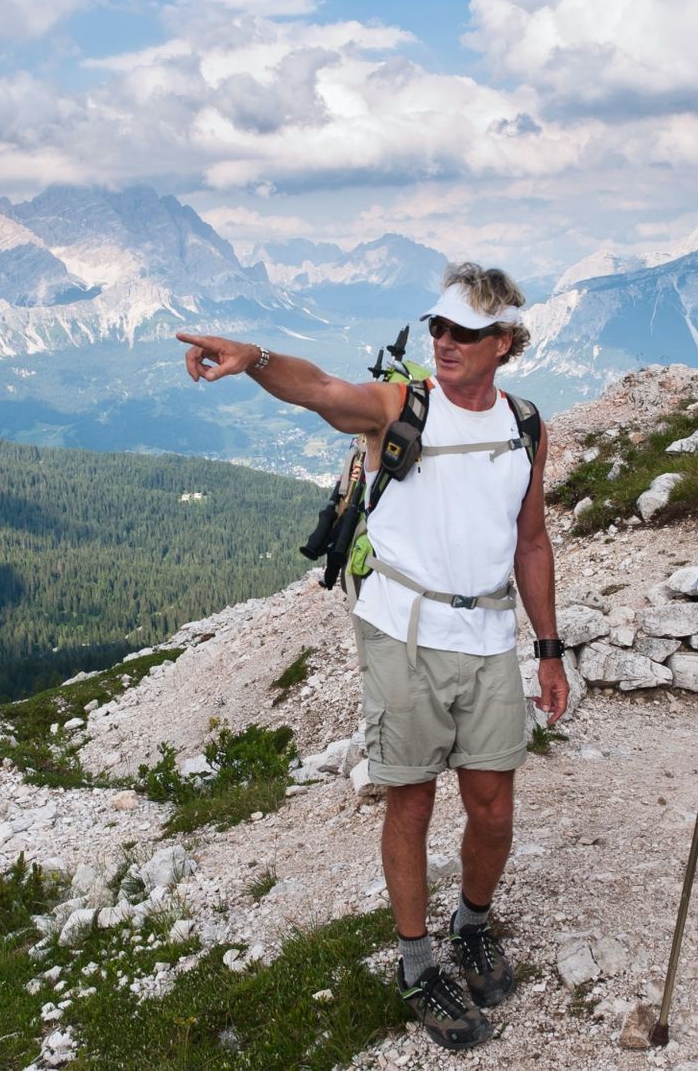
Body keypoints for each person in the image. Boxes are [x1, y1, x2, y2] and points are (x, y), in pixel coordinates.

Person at [176, 262, 569, 1052]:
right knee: (412, 802)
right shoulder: (401, 406)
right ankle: (418, 961)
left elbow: (530, 539)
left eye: (463, 331)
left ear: (504, 343)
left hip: (489, 635)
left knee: (494, 804)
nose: (443, 341)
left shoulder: (526, 424)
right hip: (403, 631)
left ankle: (474, 923)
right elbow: (321, 388)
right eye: (437, 326)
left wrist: (550, 647)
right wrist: (253, 358)